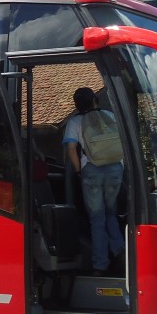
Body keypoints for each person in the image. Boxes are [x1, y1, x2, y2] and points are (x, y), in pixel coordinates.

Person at [63, 86, 124, 273]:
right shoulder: (110, 115)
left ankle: (100, 264)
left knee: (97, 218)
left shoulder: (75, 121)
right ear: (95, 100)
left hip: (92, 170)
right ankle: (121, 255)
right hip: (115, 168)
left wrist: (78, 170)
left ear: (77, 104)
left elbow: (71, 148)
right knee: (112, 214)